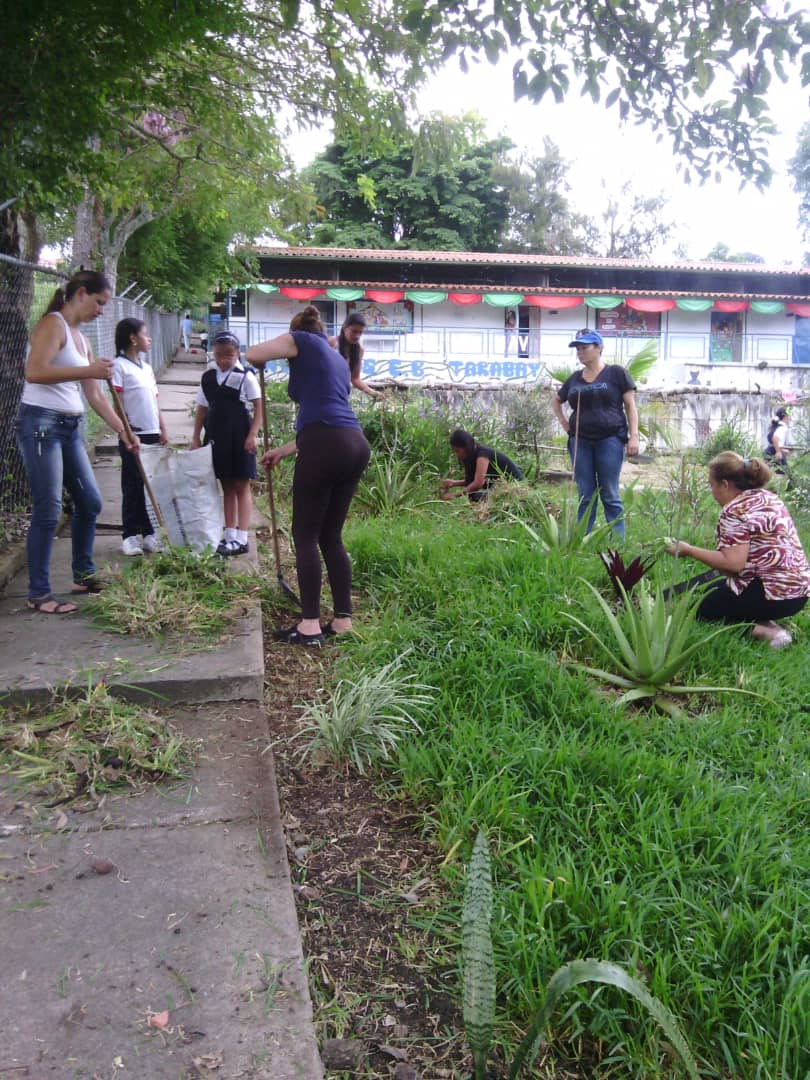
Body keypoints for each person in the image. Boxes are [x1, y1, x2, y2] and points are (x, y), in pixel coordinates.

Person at [14, 269, 139, 614]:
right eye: (99, 303)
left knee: (90, 502)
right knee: (49, 508)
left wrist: (124, 432)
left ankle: (83, 574)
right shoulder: (52, 325)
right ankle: (39, 593)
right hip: (42, 425)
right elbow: (35, 372)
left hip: (71, 426)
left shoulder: (81, 338)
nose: (102, 310)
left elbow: (95, 396)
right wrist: (88, 371)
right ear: (81, 293)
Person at [246, 305, 371, 646]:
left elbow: (253, 352)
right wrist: (283, 450)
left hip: (326, 442)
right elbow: (325, 416)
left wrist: (259, 361)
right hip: (354, 443)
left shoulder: (301, 339)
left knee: (305, 534)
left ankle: (310, 625)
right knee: (331, 535)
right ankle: (343, 620)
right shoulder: (335, 359)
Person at [666, 452, 810, 649]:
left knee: (696, 611)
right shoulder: (769, 498)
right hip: (798, 593)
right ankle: (763, 619)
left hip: (771, 593)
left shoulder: (734, 510)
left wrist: (689, 550)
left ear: (725, 484)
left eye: (712, 485)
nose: (712, 491)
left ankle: (768, 632)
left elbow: (733, 564)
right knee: (710, 593)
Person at [551, 328, 639, 538]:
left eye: (585, 348)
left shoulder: (616, 373)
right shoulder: (574, 379)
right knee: (586, 492)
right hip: (580, 441)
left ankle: (617, 541)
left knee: (609, 491)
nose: (580, 352)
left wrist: (633, 436)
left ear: (599, 348)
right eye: (578, 349)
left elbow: (631, 405)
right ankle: (582, 538)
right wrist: (564, 422)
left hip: (609, 440)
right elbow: (556, 400)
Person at [190, 330, 262, 557]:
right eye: (219, 355)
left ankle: (242, 537)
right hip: (216, 436)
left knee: (242, 485)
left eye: (229, 355)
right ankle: (229, 534)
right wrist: (195, 437)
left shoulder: (245, 376)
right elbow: (202, 408)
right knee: (226, 486)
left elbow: (259, 407)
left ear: (237, 353)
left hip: (239, 437)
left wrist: (252, 435)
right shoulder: (208, 378)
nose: (223, 360)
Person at [112, 318, 169, 556]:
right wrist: (125, 432)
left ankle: (149, 534)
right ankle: (129, 535)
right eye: (145, 334)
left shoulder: (146, 368)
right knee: (133, 485)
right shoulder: (118, 366)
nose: (150, 339)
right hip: (133, 435)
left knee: (151, 486)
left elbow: (154, 401)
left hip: (152, 432)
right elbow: (117, 402)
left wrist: (163, 428)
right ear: (133, 338)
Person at [440, 429, 524, 502]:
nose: (456, 454)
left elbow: (478, 483)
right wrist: (453, 483)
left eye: (457, 451)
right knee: (473, 496)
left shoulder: (482, 455)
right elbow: (472, 480)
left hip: (515, 488)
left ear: (466, 447)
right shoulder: (472, 455)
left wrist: (453, 495)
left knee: (475, 496)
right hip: (500, 487)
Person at [328, 312, 384, 399]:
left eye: (360, 332)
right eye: (354, 331)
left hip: (342, 394)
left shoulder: (359, 350)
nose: (357, 336)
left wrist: (374, 393)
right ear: (344, 328)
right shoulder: (331, 342)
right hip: (325, 391)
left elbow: (355, 379)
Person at [764, 406, 790, 471]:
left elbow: (776, 442)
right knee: (787, 474)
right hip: (773, 452)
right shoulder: (783, 427)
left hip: (769, 451)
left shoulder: (777, 425)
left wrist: (782, 450)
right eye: (789, 416)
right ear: (785, 417)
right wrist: (778, 452)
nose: (790, 418)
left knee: (766, 473)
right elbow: (775, 438)